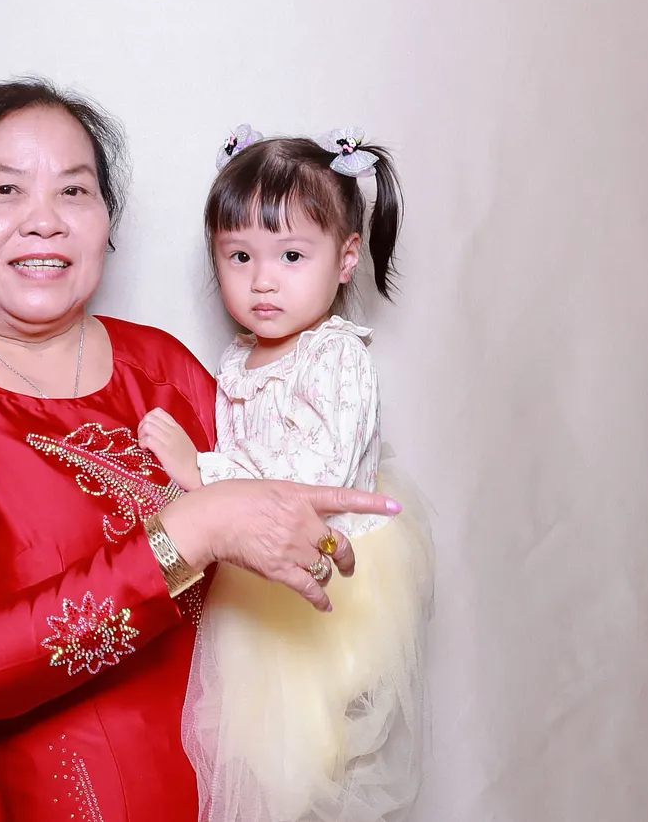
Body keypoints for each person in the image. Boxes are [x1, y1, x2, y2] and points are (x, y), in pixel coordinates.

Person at [0, 81, 402, 822]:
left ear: (106, 224)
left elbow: (287, 557)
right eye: (5, 189)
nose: (44, 220)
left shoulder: (163, 368)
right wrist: (191, 531)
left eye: (74, 190)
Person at [138, 126, 434, 822]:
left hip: (329, 573)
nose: (262, 279)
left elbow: (312, 483)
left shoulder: (336, 356)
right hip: (255, 577)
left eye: (292, 255)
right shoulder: (239, 359)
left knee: (315, 757)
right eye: (239, 255)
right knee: (252, 759)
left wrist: (200, 470)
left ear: (346, 259)